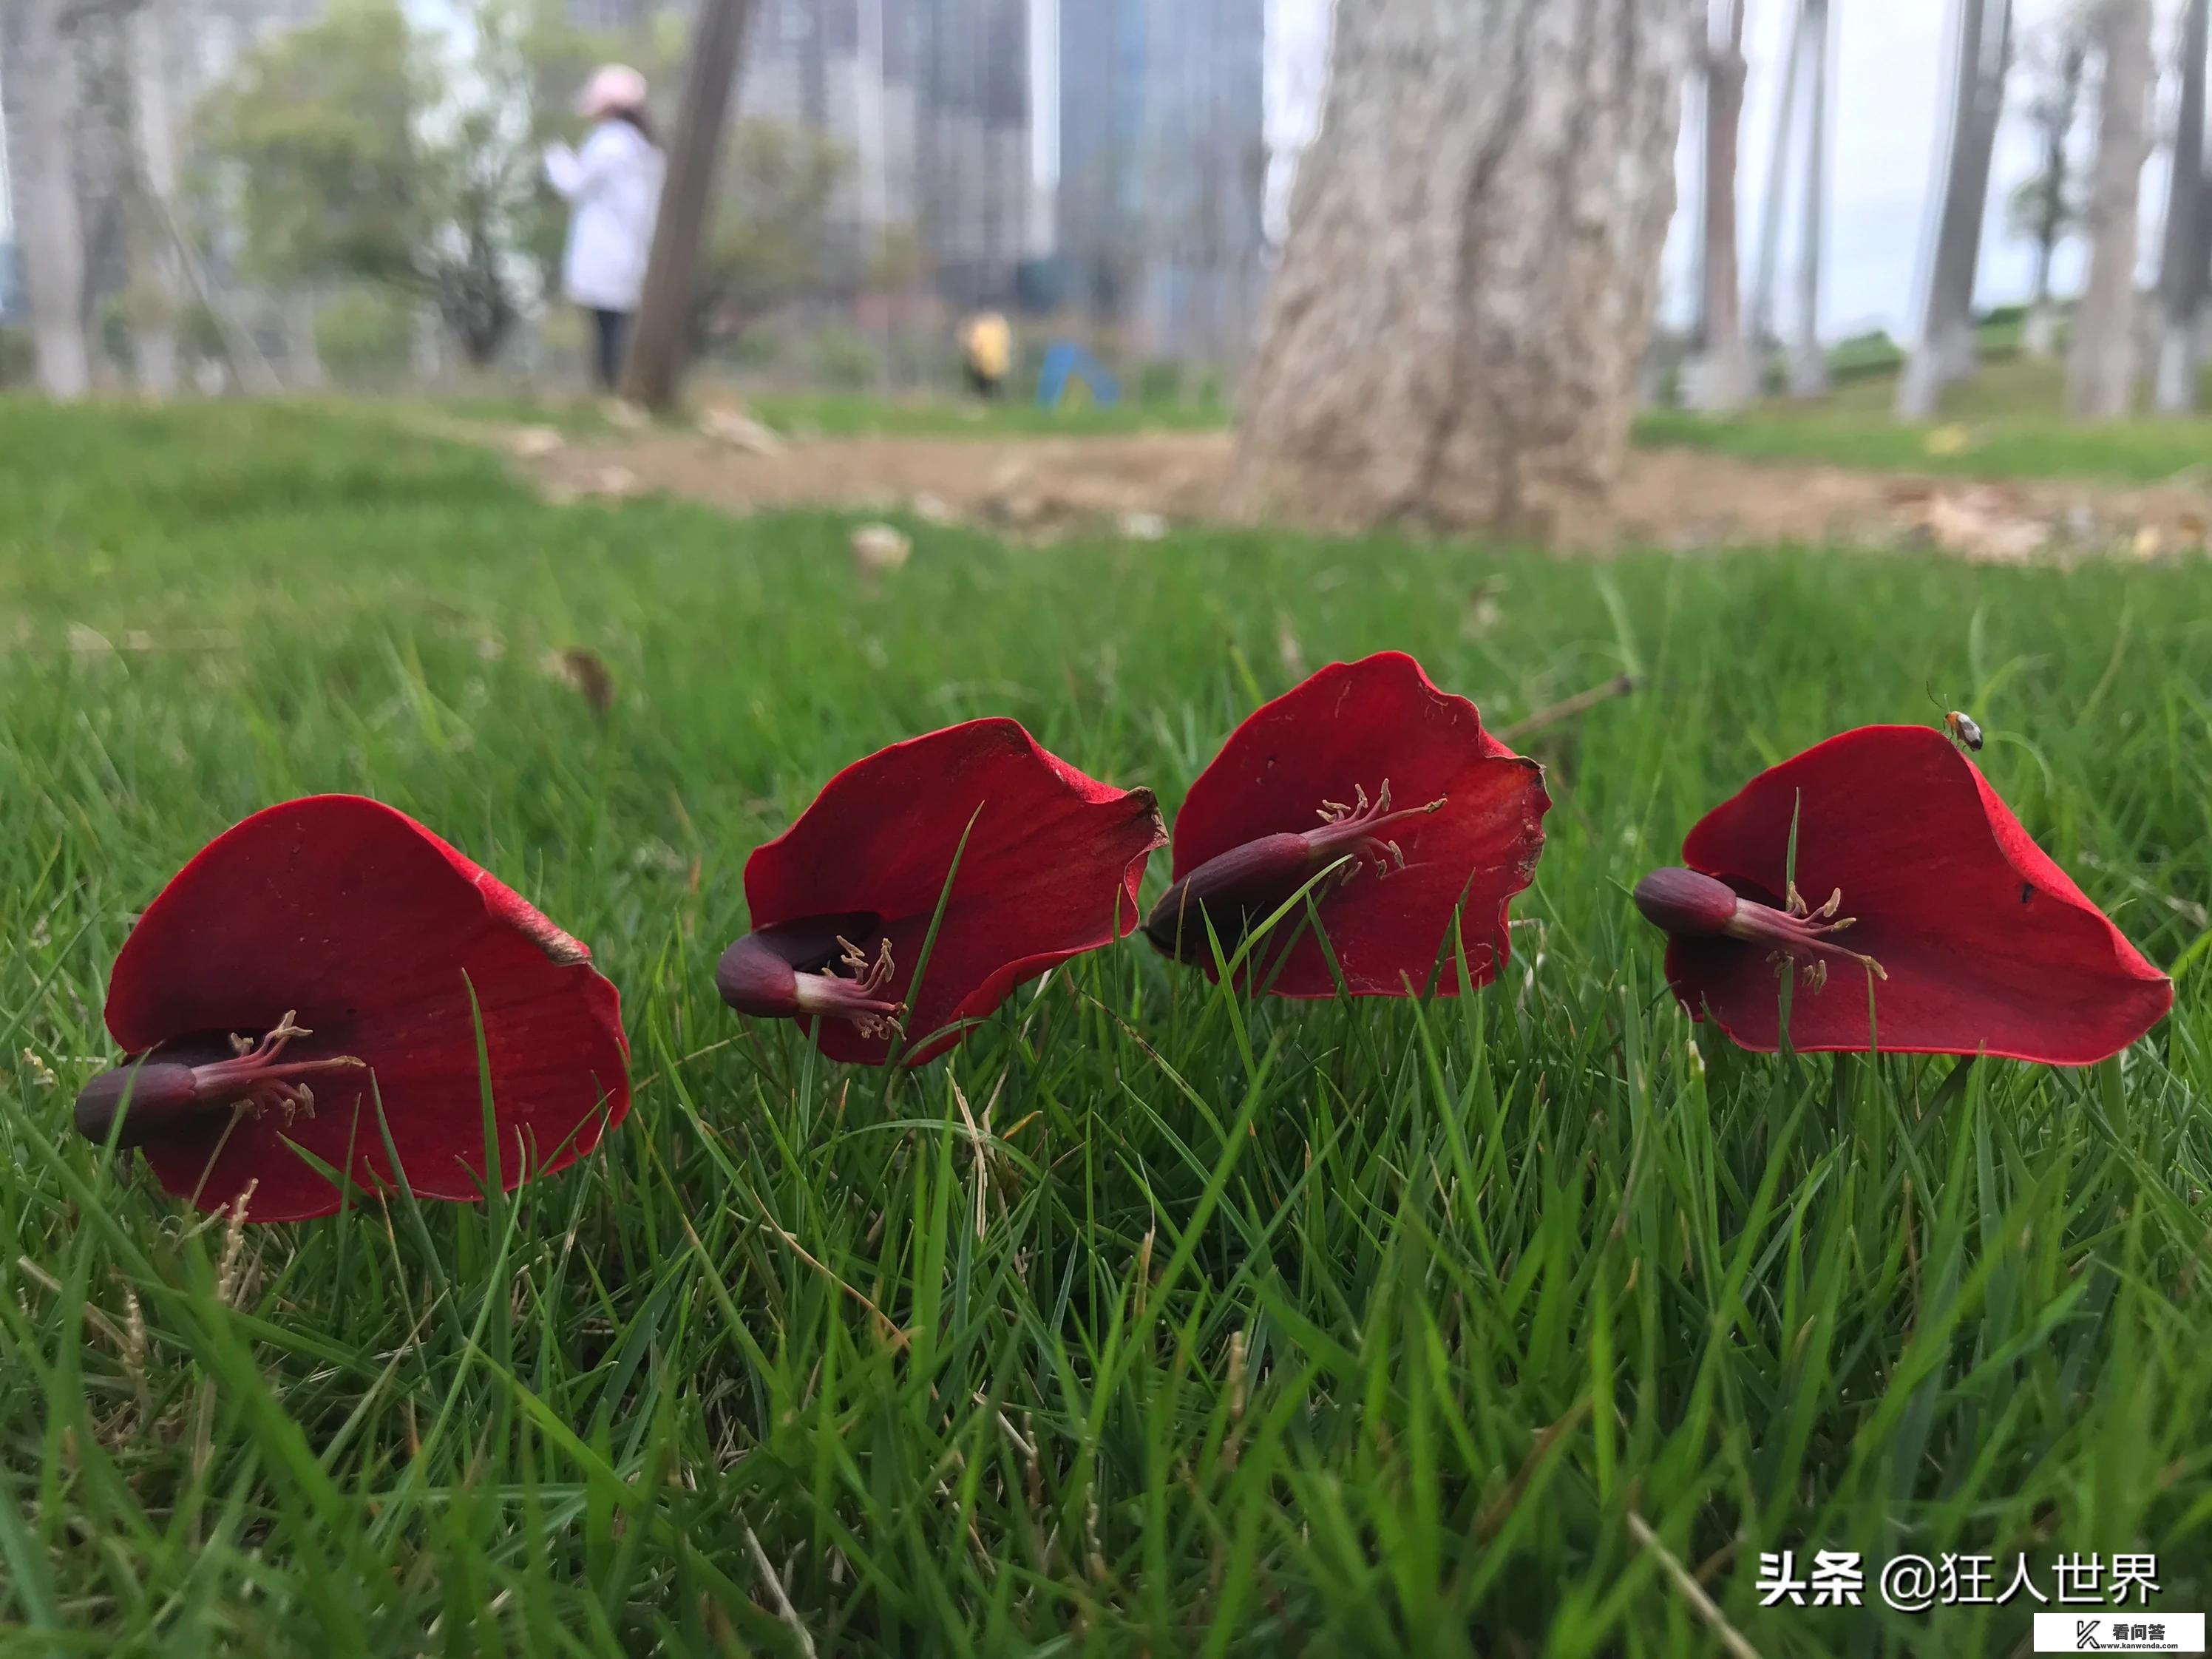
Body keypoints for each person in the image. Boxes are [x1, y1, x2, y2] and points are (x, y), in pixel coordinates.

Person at [544, 65, 665, 393]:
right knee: (620, 323)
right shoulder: (644, 146)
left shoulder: (609, 143)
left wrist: (555, 160)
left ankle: (612, 389)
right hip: (634, 248)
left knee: (608, 326)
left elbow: (575, 185)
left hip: (607, 249)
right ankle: (622, 388)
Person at [959, 311, 1012, 399]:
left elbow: (975, 345)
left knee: (984, 385)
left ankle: (987, 401)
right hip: (994, 362)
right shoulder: (998, 327)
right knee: (991, 384)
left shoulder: (982, 329)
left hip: (983, 363)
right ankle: (995, 401)